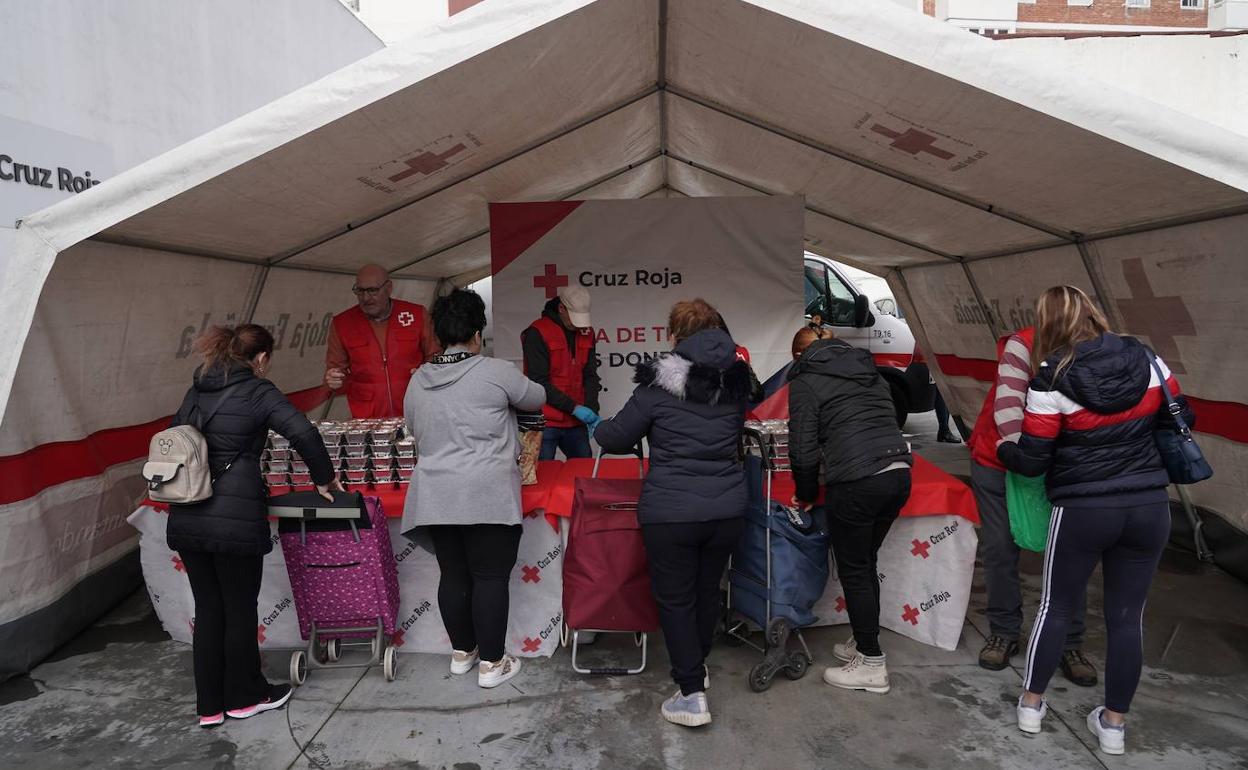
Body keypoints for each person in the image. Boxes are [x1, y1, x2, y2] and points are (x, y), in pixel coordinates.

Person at [998, 286, 1192, 756]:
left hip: (1083, 509)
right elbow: (1183, 416)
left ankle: (1031, 705)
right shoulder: (1146, 358)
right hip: (1148, 506)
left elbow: (1034, 459)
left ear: (1047, 324)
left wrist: (1005, 449)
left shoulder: (1052, 375)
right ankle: (1113, 726)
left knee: (1055, 607)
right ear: (1093, 313)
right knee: (1128, 619)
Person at [168, 324, 339, 729]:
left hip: (188, 513)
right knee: (239, 607)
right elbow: (302, 431)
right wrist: (323, 477)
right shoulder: (258, 390)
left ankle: (210, 705)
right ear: (261, 358)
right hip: (234, 517)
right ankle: (247, 697)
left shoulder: (195, 390)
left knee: (209, 610)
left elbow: (176, 438)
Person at [595, 299, 753, 728]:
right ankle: (696, 670)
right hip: (726, 508)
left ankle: (690, 694)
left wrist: (597, 423)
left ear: (674, 336)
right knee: (705, 592)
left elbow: (614, 437)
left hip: (672, 511)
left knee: (676, 600)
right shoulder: (738, 381)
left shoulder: (657, 385)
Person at [400, 288, 545, 689]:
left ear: (439, 334)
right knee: (490, 577)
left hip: (435, 494)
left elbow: (412, 428)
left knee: (453, 576)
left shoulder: (417, 381)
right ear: (478, 334)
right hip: (486, 492)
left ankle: (463, 653)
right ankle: (493, 664)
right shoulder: (495, 372)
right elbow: (537, 397)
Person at [967, 326, 1096, 684]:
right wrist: (1024, 458)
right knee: (999, 548)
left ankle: (1069, 641)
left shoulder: (1095, 348)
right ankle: (1004, 631)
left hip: (1060, 466)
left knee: (1069, 553)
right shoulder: (1022, 345)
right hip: (1001, 460)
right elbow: (1007, 413)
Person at [788, 325, 912, 695]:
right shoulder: (867, 370)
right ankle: (863, 640)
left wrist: (806, 492)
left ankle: (872, 664)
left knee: (855, 570)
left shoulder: (806, 381)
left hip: (858, 481)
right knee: (865, 561)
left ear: (799, 356)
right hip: (899, 474)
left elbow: (803, 448)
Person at [324, 263, 439, 418]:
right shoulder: (342, 323)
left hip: (415, 410)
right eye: (360, 291)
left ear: (389, 288)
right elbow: (336, 374)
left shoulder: (416, 314)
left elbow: (436, 357)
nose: (366, 298)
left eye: (372, 291)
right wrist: (334, 380)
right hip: (367, 418)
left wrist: (426, 372)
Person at [521, 286, 601, 459]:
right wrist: (575, 408)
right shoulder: (537, 332)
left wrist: (592, 410)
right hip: (545, 421)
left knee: (583, 474)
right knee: (543, 477)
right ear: (561, 308)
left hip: (576, 422)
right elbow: (538, 382)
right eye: (574, 318)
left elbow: (590, 375)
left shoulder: (587, 332)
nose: (577, 325)